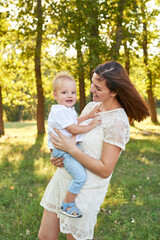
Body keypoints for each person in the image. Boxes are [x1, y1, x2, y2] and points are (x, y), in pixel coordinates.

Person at [38, 61, 150, 240]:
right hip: (63, 180)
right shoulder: (92, 107)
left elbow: (105, 170)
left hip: (85, 191)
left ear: (114, 91)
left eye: (98, 87)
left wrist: (71, 150)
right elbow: (73, 135)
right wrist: (58, 157)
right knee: (45, 236)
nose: (91, 90)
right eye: (92, 83)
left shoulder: (118, 123)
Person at [47, 72, 101, 218]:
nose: (70, 95)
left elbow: (75, 121)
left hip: (66, 149)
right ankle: (68, 204)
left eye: (73, 92)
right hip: (63, 151)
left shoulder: (66, 110)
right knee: (80, 177)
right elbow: (74, 129)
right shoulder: (59, 111)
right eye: (64, 92)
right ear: (55, 95)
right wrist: (91, 125)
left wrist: (88, 116)